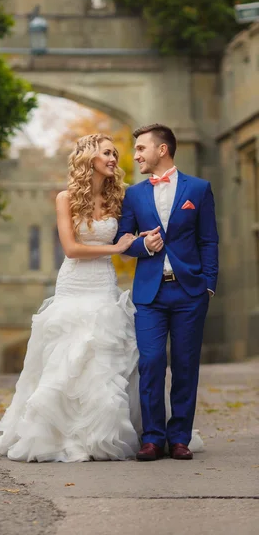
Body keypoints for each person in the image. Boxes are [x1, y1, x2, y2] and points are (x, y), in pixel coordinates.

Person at [0, 133, 202, 462]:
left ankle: (118, 434)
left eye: (115, 154)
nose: (113, 159)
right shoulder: (66, 198)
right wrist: (116, 247)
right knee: (69, 360)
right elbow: (71, 249)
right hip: (74, 285)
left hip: (104, 285)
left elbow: (131, 235)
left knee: (107, 361)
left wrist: (141, 240)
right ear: (88, 156)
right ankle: (63, 432)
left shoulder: (119, 197)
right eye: (107, 152)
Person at [114, 123, 219, 461]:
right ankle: (153, 437)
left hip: (190, 292)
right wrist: (144, 246)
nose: (136, 155)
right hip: (150, 295)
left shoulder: (199, 189)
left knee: (186, 366)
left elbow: (208, 240)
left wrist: (208, 284)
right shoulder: (133, 194)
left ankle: (179, 439)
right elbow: (123, 242)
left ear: (162, 150)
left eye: (141, 148)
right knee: (151, 361)